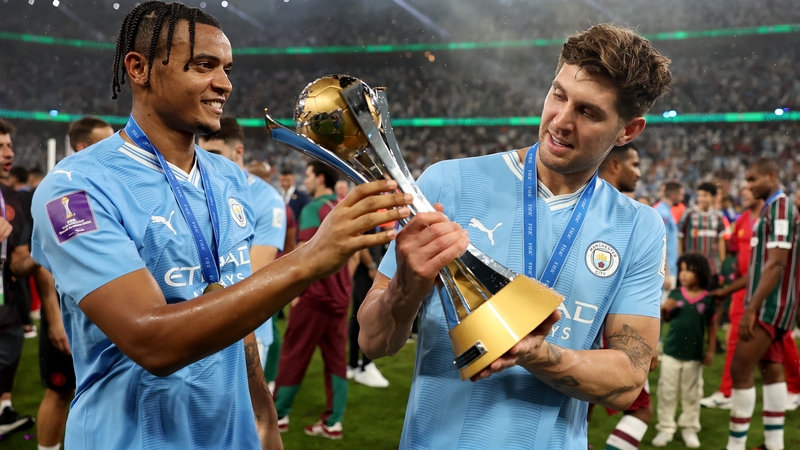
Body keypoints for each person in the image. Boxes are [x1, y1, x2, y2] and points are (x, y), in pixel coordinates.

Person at [29, 2, 411, 449]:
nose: (225, 84)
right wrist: (308, 260)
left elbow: (233, 305)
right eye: (204, 65)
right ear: (139, 68)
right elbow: (151, 341)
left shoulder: (231, 180)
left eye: (227, 68)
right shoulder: (73, 189)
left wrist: (264, 420)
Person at [359, 23, 672, 449]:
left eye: (588, 111)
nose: (560, 121)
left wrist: (532, 351)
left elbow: (629, 379)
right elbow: (373, 341)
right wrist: (406, 289)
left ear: (628, 131)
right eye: (558, 94)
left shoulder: (638, 227)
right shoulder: (448, 184)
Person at [35, 116, 113, 450]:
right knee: (61, 392)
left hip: (106, 318)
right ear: (83, 147)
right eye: (104, 143)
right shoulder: (65, 189)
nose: (115, 149)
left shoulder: (107, 185)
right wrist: (54, 322)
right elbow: (44, 267)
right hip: (72, 319)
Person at [713, 159, 798, 450]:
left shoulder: (781, 208)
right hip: (772, 302)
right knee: (770, 366)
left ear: (772, 176)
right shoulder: (769, 209)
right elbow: (760, 267)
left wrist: (752, 309)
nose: (747, 186)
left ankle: (735, 445)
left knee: (740, 369)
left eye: (753, 180)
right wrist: (728, 291)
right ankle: (774, 443)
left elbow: (775, 265)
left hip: (771, 304)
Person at [198, 117, 286, 372]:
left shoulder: (266, 200)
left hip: (246, 327)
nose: (205, 161)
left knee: (245, 410)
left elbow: (253, 274)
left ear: (238, 152)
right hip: (198, 323)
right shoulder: (193, 191)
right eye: (199, 153)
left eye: (214, 153)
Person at [273, 161, 353, 439]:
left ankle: (279, 416)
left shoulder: (312, 209)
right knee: (335, 361)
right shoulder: (343, 208)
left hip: (314, 297)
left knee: (293, 354)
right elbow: (351, 256)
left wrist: (295, 293)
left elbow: (303, 254)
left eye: (307, 175)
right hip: (340, 298)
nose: (304, 180)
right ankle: (334, 422)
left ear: (320, 178)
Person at [702, 187, 800, 412]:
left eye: (750, 186)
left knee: (781, 345)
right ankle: (726, 392)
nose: (744, 192)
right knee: (737, 341)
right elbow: (742, 257)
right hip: (744, 289)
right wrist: (729, 287)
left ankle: (795, 388)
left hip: (772, 294)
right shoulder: (743, 220)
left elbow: (774, 264)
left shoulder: (775, 216)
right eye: (744, 187)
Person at [598, 142, 657, 450]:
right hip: (614, 329)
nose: (639, 172)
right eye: (634, 165)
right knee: (642, 409)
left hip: (579, 328)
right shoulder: (628, 217)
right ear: (615, 165)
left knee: (574, 409)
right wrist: (646, 342)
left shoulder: (583, 208)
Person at [652, 253, 716, 448]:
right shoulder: (676, 294)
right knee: (667, 391)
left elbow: (712, 327)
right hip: (671, 352)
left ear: (701, 273)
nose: (683, 275)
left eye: (689, 270)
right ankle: (665, 427)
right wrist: (664, 309)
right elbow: (667, 319)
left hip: (694, 356)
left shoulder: (708, 299)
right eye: (682, 270)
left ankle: (689, 428)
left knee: (692, 393)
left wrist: (711, 350)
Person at [0, 118, 37, 438]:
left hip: (8, 305)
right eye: (0, 147)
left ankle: (5, 409)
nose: (7, 152)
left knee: (9, 357)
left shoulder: (14, 199)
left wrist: (41, 253)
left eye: (9, 145)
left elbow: (17, 262)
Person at [678, 182, 728, 281]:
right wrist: (681, 260)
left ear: (713, 197)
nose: (701, 198)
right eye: (699, 195)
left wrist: (722, 264)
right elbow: (680, 237)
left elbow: (720, 241)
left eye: (705, 195)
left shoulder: (718, 216)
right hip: (691, 267)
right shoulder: (689, 214)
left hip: (712, 268)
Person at [654, 182, 683, 294]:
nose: (682, 197)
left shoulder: (666, 210)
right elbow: (661, 244)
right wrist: (666, 273)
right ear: (673, 195)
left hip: (669, 267)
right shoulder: (663, 212)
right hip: (666, 270)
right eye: (681, 194)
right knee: (662, 307)